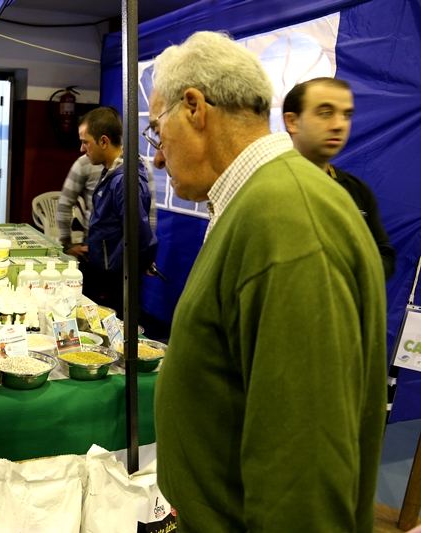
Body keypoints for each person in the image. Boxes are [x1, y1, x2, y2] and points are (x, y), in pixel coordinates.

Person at [149, 32, 386, 533]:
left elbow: (304, 468)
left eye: (156, 133)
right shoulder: (255, 201)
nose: (157, 157)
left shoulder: (287, 218)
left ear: (194, 108)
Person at [283, 77, 395, 279]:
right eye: (326, 113)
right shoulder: (262, 184)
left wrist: (352, 272)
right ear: (292, 121)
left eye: (347, 115)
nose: (339, 125)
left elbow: (384, 254)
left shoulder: (357, 190)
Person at [78, 107, 158, 317]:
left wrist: (143, 259)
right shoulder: (111, 172)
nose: (82, 149)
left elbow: (139, 230)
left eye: (86, 142)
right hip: (105, 272)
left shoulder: (123, 180)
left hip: (116, 279)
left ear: (103, 141)